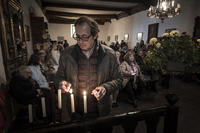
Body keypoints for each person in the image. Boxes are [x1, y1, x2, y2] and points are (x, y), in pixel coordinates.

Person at [55, 16, 122, 133]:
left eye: (85, 37)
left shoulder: (110, 55)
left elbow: (118, 79)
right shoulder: (66, 54)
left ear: (95, 35)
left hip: (100, 111)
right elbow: (58, 76)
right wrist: (61, 82)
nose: (80, 41)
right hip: (75, 111)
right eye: (77, 37)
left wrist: (105, 88)